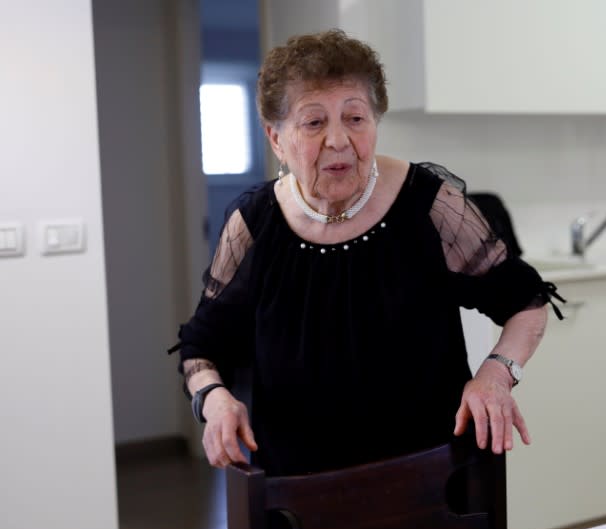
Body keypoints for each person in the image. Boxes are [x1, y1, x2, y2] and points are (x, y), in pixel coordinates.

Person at [172, 29, 564, 477]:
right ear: (276, 138)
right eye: (314, 122)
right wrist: (214, 399)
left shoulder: (428, 204)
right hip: (298, 490)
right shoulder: (254, 224)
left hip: (431, 477)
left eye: (355, 118)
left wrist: (495, 375)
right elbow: (199, 346)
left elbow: (527, 302)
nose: (338, 140)